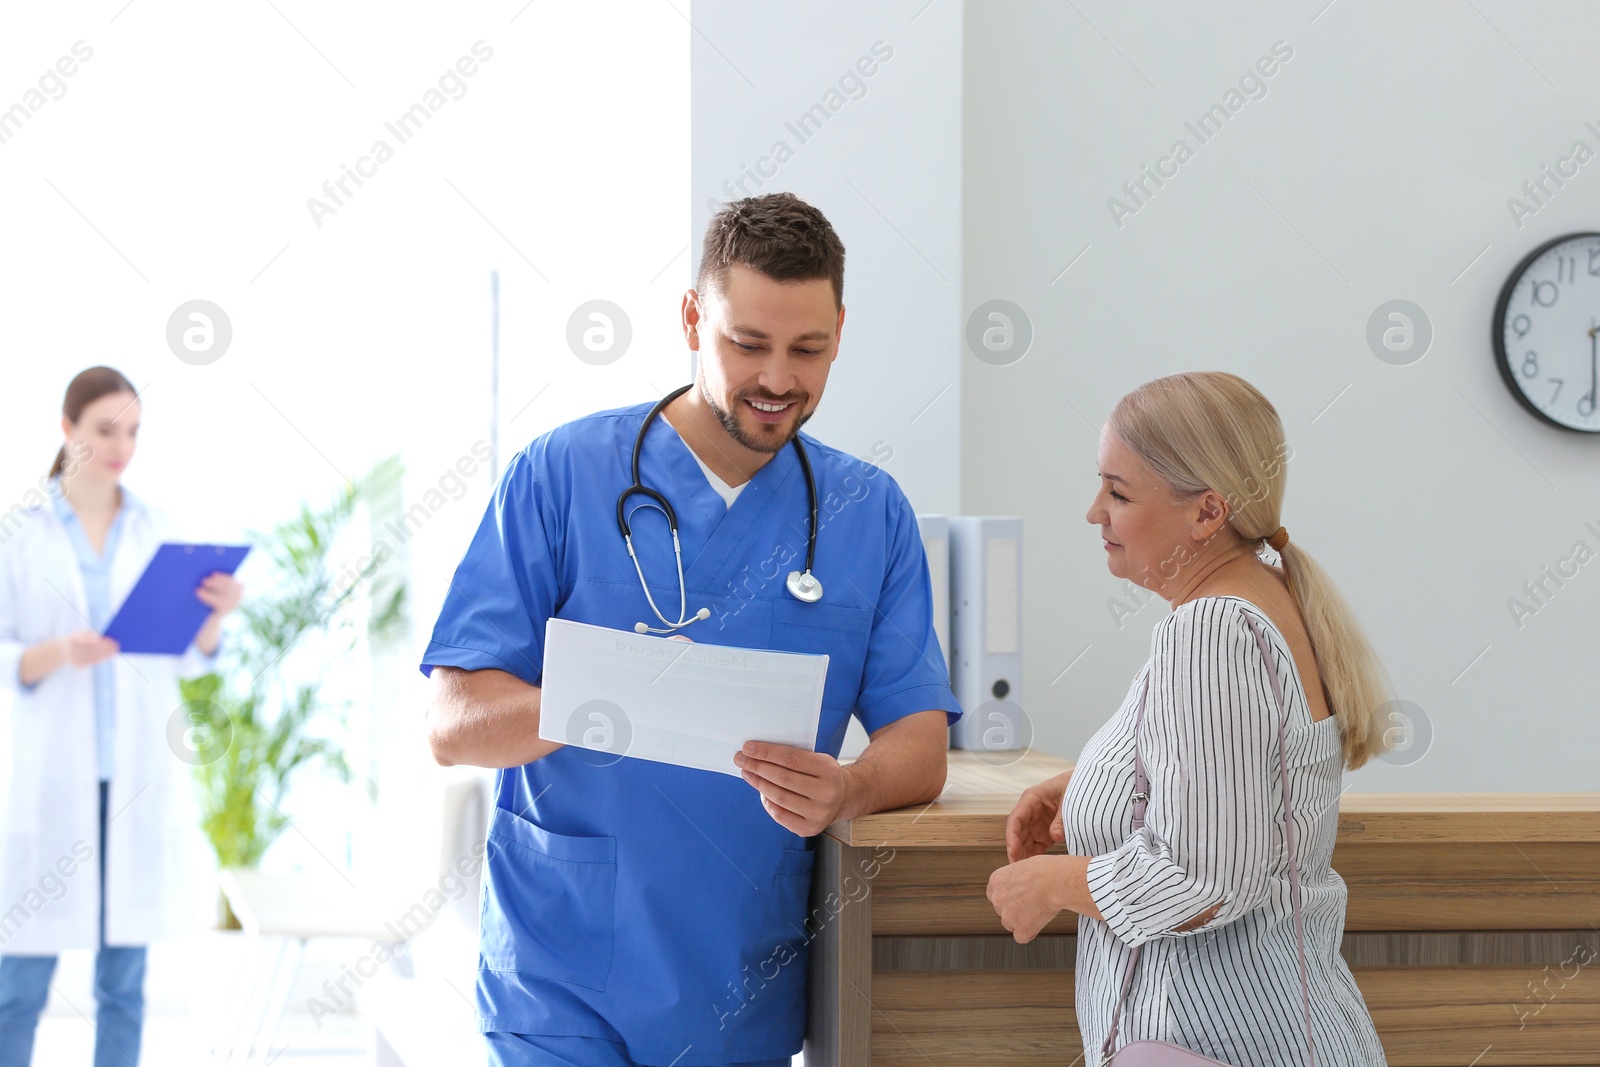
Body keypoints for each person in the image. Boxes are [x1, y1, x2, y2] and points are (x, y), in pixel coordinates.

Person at [421, 192, 960, 1066]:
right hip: (559, 984)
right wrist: (614, 692)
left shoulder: (870, 513)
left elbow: (920, 737)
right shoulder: (563, 475)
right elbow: (453, 725)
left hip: (739, 987)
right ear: (690, 318)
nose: (778, 379)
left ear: (840, 329)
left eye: (808, 349)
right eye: (747, 344)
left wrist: (852, 788)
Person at [986, 371, 1389, 1066]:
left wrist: (1049, 882)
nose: (1093, 512)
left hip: (1215, 1044)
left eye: (1118, 492)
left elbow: (1204, 878)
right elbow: (1241, 773)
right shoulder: (1265, 599)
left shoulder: (1209, 630)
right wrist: (1089, 783)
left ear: (1207, 513)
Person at [0, 366, 243, 1067]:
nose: (121, 446)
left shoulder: (157, 527)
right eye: (106, 429)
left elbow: (190, 658)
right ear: (67, 428)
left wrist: (213, 616)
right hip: (51, 780)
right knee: (19, 984)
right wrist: (57, 651)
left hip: (132, 779)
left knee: (124, 986)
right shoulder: (22, 532)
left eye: (133, 431)